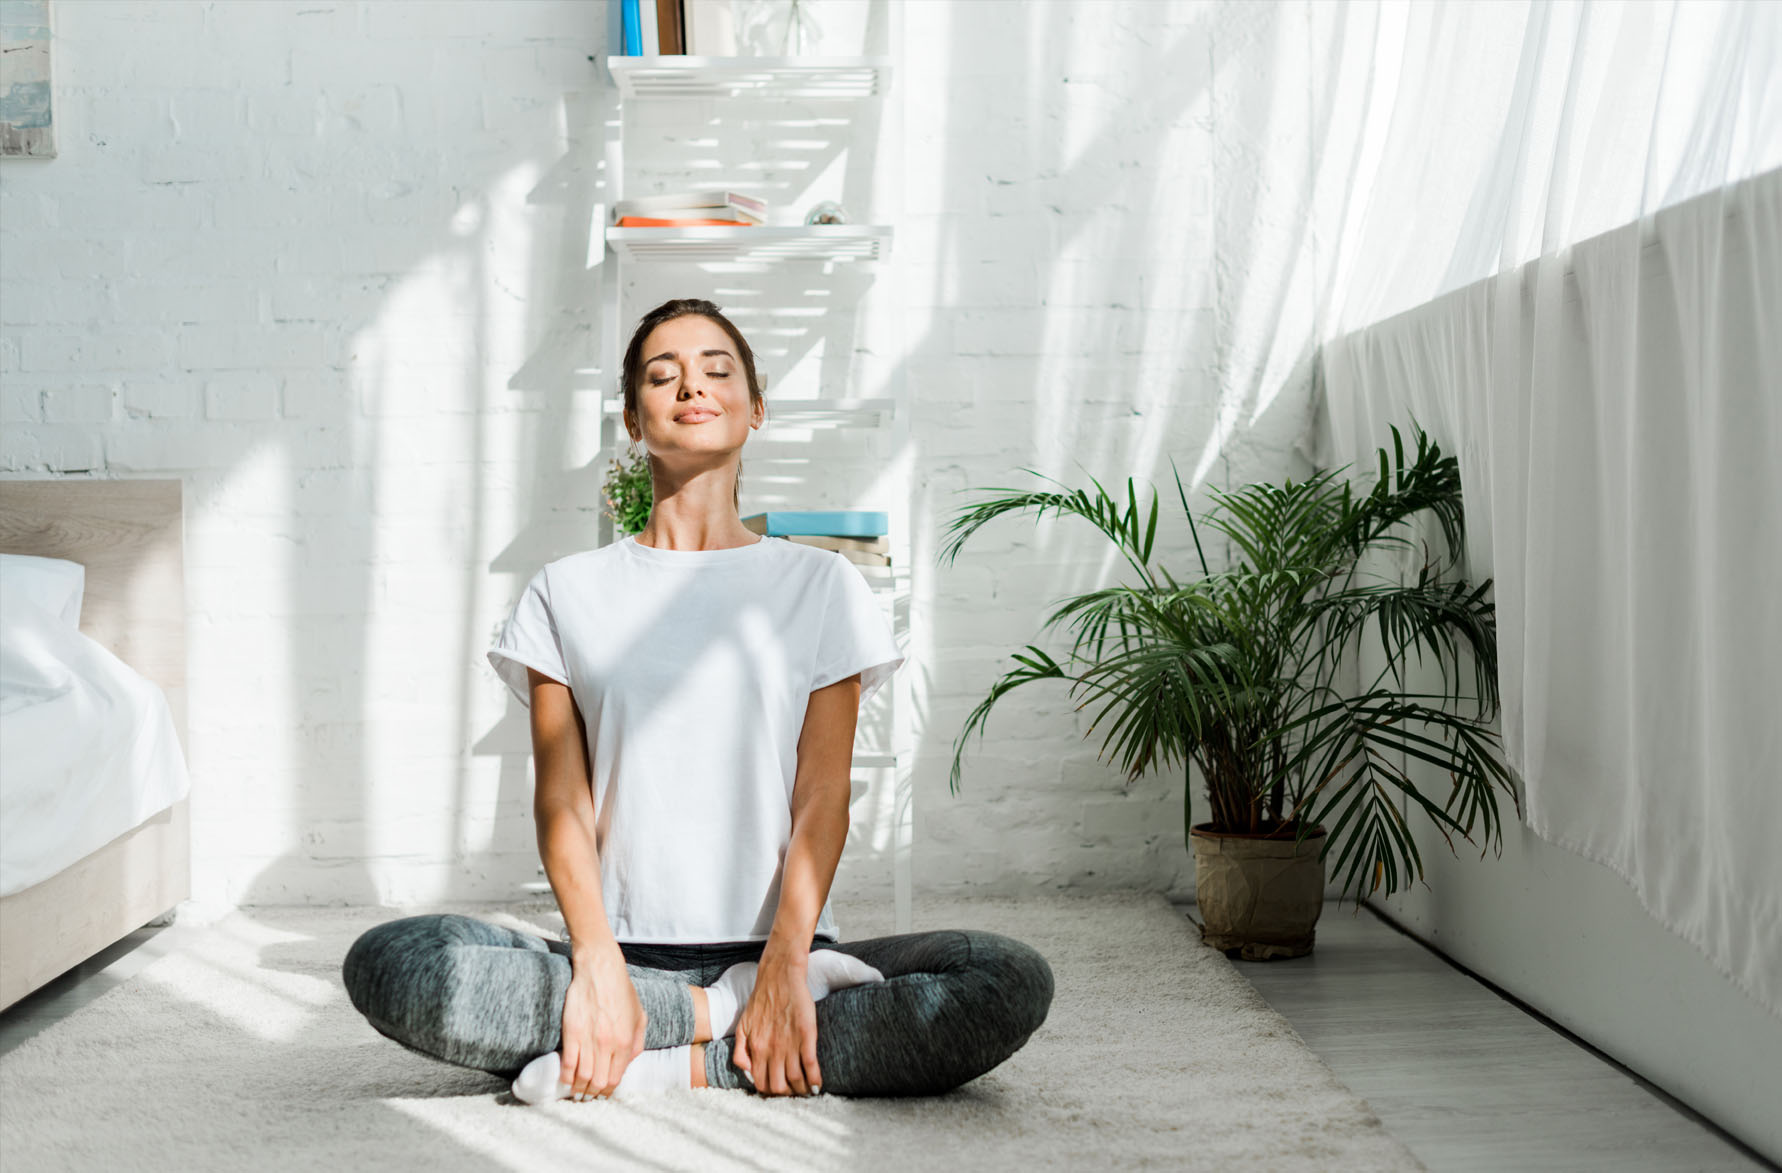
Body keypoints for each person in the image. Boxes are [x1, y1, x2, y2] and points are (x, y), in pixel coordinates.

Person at [342, 297, 1055, 1103]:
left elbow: (822, 795)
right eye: (662, 374)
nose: (692, 385)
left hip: (786, 944)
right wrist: (598, 963)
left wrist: (785, 962)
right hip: (620, 948)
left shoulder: (822, 584)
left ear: (756, 409)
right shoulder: (565, 592)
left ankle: (664, 1052)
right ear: (632, 418)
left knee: (1005, 978)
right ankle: (722, 1017)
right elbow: (562, 803)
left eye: (717, 370)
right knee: (395, 962)